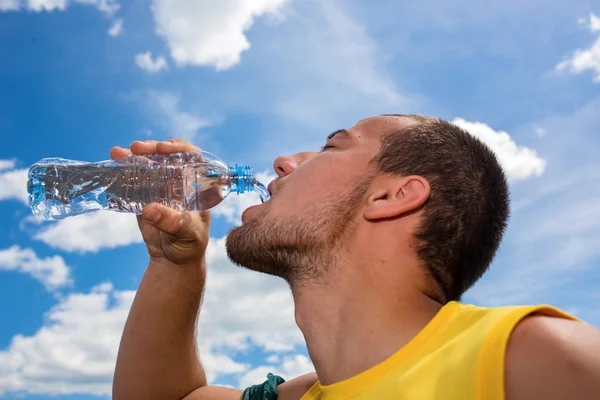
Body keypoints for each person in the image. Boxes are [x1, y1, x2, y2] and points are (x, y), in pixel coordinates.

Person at [111, 115, 600, 400]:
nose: (283, 161)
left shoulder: (532, 358)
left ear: (392, 196)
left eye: (330, 146)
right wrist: (176, 263)